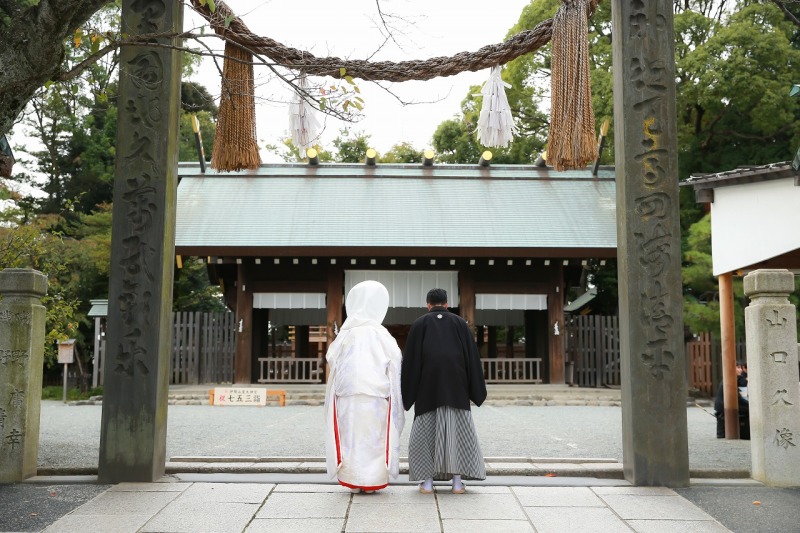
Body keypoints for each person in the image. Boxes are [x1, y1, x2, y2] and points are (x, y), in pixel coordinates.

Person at [401, 288, 487, 494]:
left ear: (428, 305)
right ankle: (457, 483)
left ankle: (427, 483)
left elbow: (411, 361)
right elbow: (472, 358)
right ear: (447, 304)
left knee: (425, 436)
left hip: (427, 389)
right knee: (458, 434)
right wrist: (475, 389)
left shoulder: (419, 324)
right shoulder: (460, 323)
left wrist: (407, 393)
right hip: (457, 388)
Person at [324, 280, 405, 493]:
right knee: (374, 439)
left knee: (350, 438)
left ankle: (353, 480)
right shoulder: (381, 334)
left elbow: (331, 357)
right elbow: (396, 359)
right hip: (376, 393)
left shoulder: (346, 333)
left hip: (347, 393)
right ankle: (371, 482)